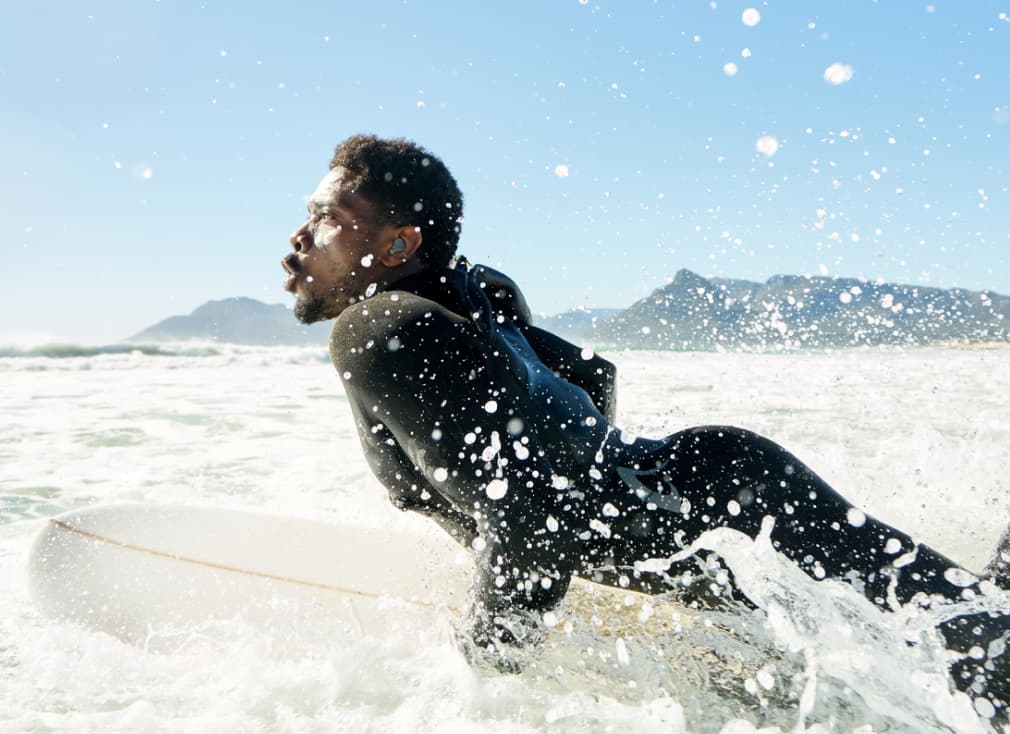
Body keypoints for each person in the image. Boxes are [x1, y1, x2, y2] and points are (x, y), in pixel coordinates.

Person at [282, 133, 1009, 716]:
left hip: (711, 520)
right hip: (718, 484)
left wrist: (486, 683)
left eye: (326, 220)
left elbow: (531, 522)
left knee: (984, 662)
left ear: (399, 246)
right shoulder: (479, 292)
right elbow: (594, 379)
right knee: (961, 628)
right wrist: (604, 489)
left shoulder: (377, 329)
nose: (299, 238)